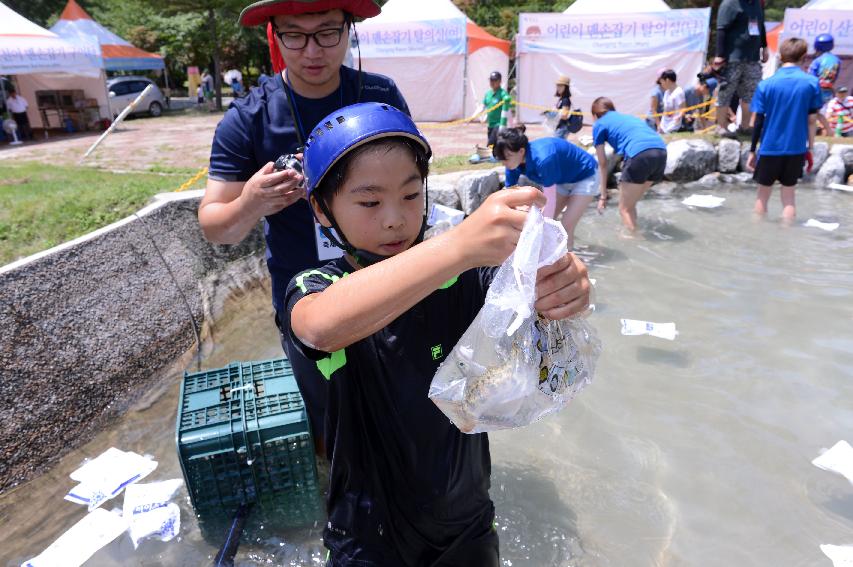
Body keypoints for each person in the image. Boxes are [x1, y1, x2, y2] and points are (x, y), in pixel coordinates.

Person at [286, 101, 591, 566]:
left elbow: (533, 324)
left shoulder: (467, 277)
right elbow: (319, 327)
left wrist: (561, 289)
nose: (394, 218)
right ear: (322, 209)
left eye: (411, 195)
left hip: (466, 521)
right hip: (368, 535)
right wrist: (458, 244)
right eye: (369, 202)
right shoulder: (320, 287)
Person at [198, 0, 410, 448]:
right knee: (328, 412)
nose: (312, 50)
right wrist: (252, 202)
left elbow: (411, 186)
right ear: (274, 36)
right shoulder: (248, 118)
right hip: (307, 296)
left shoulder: (381, 95)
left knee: (403, 396)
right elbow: (216, 227)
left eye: (328, 32)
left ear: (349, 30)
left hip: (387, 277)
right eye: (295, 35)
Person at [747, 38, 822, 223]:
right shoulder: (812, 83)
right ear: (804, 57)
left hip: (770, 148)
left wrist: (751, 151)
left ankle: (757, 236)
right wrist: (810, 149)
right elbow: (811, 120)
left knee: (762, 195)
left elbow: (758, 122)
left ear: (780, 56)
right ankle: (787, 237)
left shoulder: (766, 84)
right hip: (796, 148)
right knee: (789, 197)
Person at [493, 126, 598, 248]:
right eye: (501, 158)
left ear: (521, 151)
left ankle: (567, 264)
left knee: (564, 229)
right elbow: (509, 194)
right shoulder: (512, 163)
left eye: (506, 157)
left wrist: (540, 231)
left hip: (585, 176)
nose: (504, 162)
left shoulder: (543, 159)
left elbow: (549, 200)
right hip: (561, 180)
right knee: (540, 222)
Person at [591, 97, 667, 233]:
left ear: (595, 114)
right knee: (630, 204)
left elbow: (602, 163)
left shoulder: (599, 124)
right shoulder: (629, 118)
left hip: (639, 155)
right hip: (661, 152)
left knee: (624, 209)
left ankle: (633, 240)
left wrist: (603, 196)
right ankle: (632, 228)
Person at [714, 0, 768, 136]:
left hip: (753, 58)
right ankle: (721, 126)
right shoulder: (730, 4)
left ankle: (745, 126)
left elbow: (761, 26)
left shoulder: (757, 3)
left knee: (751, 94)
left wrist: (764, 47)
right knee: (725, 92)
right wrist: (719, 55)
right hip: (732, 58)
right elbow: (721, 30)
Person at [808, 33, 840, 136]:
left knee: (812, 113)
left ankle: (825, 131)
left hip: (816, 91)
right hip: (829, 91)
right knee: (824, 113)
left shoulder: (817, 61)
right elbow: (836, 76)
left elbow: (810, 78)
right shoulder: (837, 60)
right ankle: (827, 131)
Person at [475, 71, 511, 147]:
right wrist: (473, 116)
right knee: (493, 146)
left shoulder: (503, 93)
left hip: (499, 124)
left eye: (495, 80)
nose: (492, 82)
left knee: (490, 145)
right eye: (491, 80)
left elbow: (508, 104)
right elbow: (483, 106)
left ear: (500, 81)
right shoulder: (488, 94)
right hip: (490, 125)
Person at [658, 69, 686, 134]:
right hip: (664, 126)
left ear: (667, 80)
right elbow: (665, 110)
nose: (661, 84)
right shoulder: (666, 92)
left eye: (662, 82)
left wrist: (679, 117)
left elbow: (683, 108)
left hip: (673, 127)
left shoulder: (679, 92)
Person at [553, 75, 579, 139]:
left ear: (566, 87)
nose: (558, 88)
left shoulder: (565, 100)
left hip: (562, 127)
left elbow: (564, 116)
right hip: (560, 126)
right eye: (558, 85)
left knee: (558, 145)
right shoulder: (562, 98)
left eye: (561, 86)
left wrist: (553, 113)